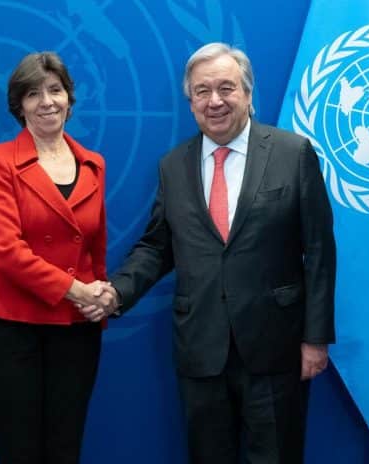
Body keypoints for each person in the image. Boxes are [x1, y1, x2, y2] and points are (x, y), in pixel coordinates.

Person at [81, 43, 336, 463]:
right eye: (202, 91)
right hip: (201, 348)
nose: (214, 101)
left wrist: (316, 339)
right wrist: (116, 293)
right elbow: (157, 246)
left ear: (248, 94)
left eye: (226, 88)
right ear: (190, 101)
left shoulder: (294, 154)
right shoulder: (173, 166)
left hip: (275, 348)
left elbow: (320, 251)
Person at [0, 51, 117, 464]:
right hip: (10, 327)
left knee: (65, 444)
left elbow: (94, 245)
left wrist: (101, 300)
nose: (47, 101)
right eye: (33, 94)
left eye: (55, 90)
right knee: (19, 449)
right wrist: (77, 292)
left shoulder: (94, 163)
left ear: (70, 97)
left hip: (75, 329)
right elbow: (5, 250)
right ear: (19, 105)